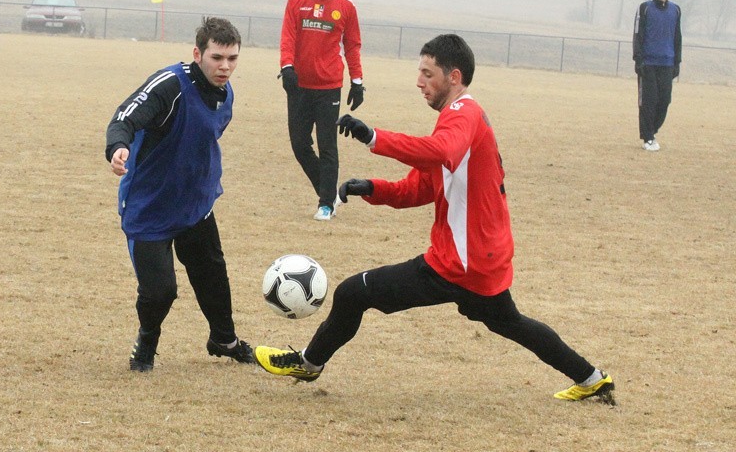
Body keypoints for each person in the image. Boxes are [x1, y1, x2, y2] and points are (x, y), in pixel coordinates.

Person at [254, 34, 615, 404]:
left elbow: (441, 151)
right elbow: (420, 189)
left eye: (428, 74)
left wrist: (375, 137)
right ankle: (592, 378)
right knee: (511, 323)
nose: (419, 81)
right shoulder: (455, 121)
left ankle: (308, 364)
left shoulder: (465, 115)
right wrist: (371, 188)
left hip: (459, 263)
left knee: (352, 293)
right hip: (480, 261)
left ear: (453, 77)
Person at [105, 16, 255, 372]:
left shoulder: (225, 93)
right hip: (150, 206)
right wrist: (118, 148)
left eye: (232, 58)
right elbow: (124, 118)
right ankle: (147, 340)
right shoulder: (169, 85)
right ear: (197, 54)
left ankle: (224, 339)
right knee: (160, 291)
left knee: (212, 274)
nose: (225, 66)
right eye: (217, 57)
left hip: (196, 202)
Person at [279, 0, 364, 221]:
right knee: (299, 144)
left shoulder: (346, 7)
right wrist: (287, 67)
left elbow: (352, 46)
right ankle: (329, 191)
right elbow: (287, 37)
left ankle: (325, 204)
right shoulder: (296, 1)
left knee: (328, 145)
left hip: (329, 86)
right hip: (299, 86)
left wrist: (357, 81)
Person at [633, 0, 682, 152]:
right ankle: (648, 138)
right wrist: (638, 60)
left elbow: (677, 37)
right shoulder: (644, 8)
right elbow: (638, 34)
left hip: (667, 63)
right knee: (648, 101)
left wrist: (677, 62)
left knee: (664, 100)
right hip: (648, 63)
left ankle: (651, 130)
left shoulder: (675, 10)